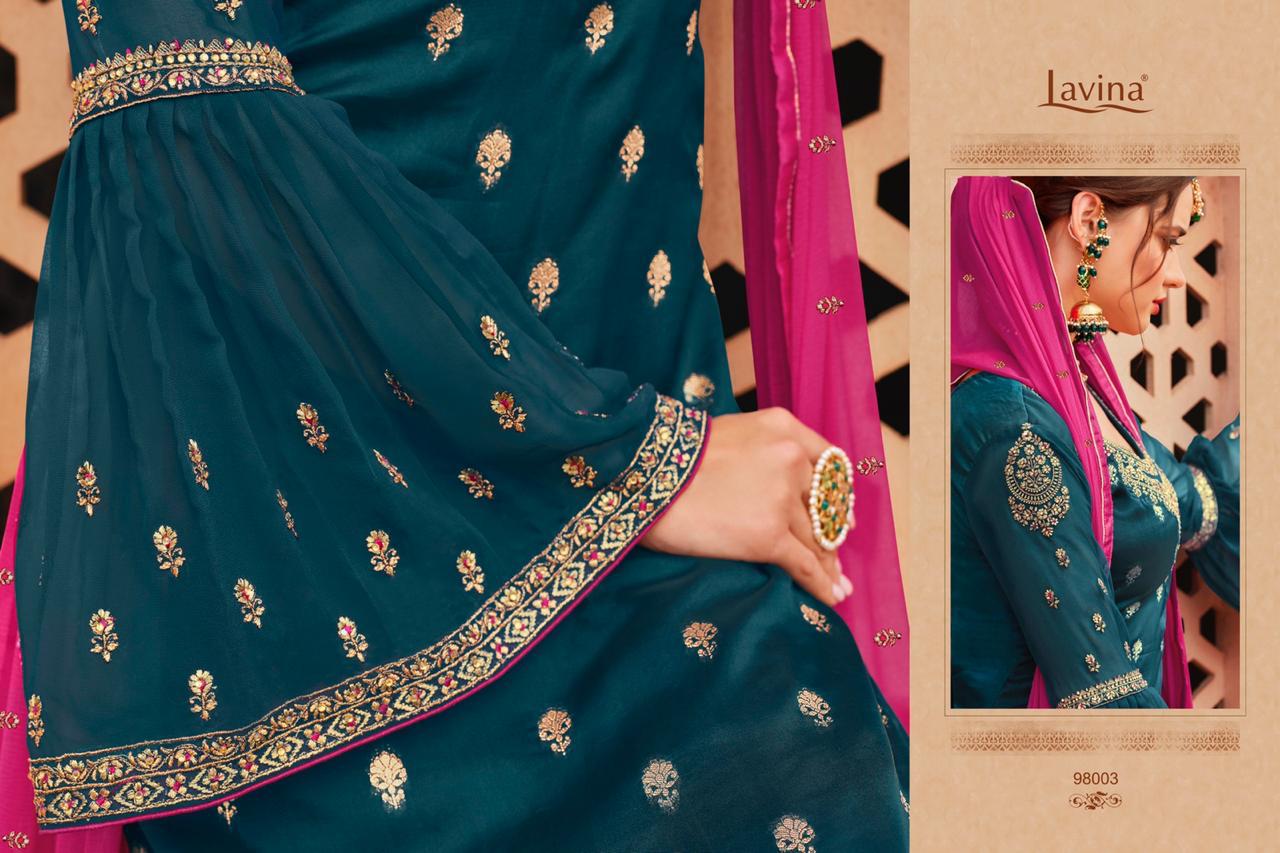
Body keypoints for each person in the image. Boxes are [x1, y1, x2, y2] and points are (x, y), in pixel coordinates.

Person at [0, 2, 908, 850]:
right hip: (307, 578)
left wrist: (639, 468)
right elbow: (182, 139)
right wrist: (637, 462)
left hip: (665, 566)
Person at [950, 175, 1239, 710]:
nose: (1176, 275)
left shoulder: (1074, 389)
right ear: (1089, 222)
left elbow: (1179, 494)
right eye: (1167, 240)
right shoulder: (1015, 429)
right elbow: (1102, 696)